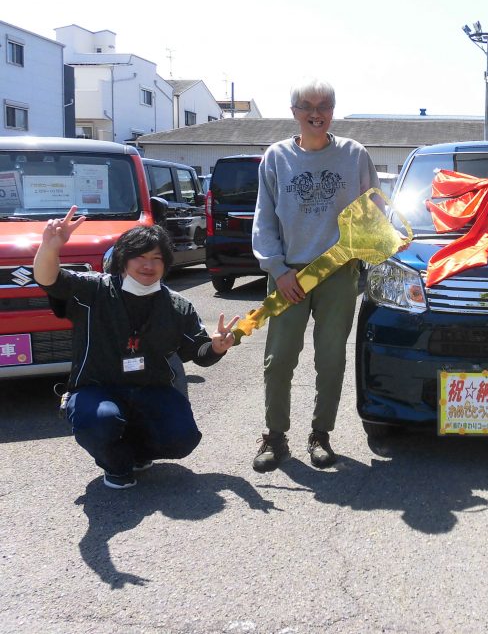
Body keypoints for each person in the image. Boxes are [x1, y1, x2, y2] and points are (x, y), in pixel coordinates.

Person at [33, 209, 238, 489]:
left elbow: (200, 353)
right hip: (97, 388)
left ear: (166, 264)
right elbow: (49, 279)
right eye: (139, 256)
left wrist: (216, 347)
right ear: (123, 259)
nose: (148, 265)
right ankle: (116, 464)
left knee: (183, 438)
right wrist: (50, 247)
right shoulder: (94, 290)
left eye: (157, 258)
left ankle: (138, 453)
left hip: (150, 389)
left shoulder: (177, 306)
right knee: (99, 420)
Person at [250, 78, 379, 472]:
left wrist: (371, 249)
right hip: (289, 273)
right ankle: (275, 435)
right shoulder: (276, 157)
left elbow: (373, 212)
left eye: (324, 105)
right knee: (279, 359)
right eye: (306, 106)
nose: (315, 113)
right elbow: (264, 220)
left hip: (338, 273)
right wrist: (277, 269)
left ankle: (321, 434)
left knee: (331, 358)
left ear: (333, 111)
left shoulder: (355, 155)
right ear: (294, 112)